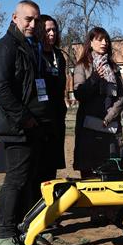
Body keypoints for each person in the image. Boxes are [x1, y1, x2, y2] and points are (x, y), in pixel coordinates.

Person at [0, 0, 53, 245]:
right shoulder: (5, 47)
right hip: (17, 128)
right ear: (15, 17)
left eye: (36, 20)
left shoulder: (30, 46)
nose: (33, 24)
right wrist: (24, 117)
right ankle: (4, 235)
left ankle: (23, 227)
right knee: (15, 180)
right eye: (28, 19)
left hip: (33, 127)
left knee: (28, 180)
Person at [73, 27, 123, 177]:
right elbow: (79, 94)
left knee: (111, 167)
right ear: (90, 42)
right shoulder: (82, 66)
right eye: (99, 39)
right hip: (89, 126)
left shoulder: (113, 67)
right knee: (89, 170)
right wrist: (94, 79)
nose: (104, 43)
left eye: (106, 39)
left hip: (110, 125)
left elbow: (121, 96)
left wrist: (109, 117)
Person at [39, 14, 67, 181]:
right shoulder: (35, 53)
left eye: (54, 30)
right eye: (48, 30)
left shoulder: (59, 55)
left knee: (52, 163)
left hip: (56, 117)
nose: (52, 33)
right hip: (41, 117)